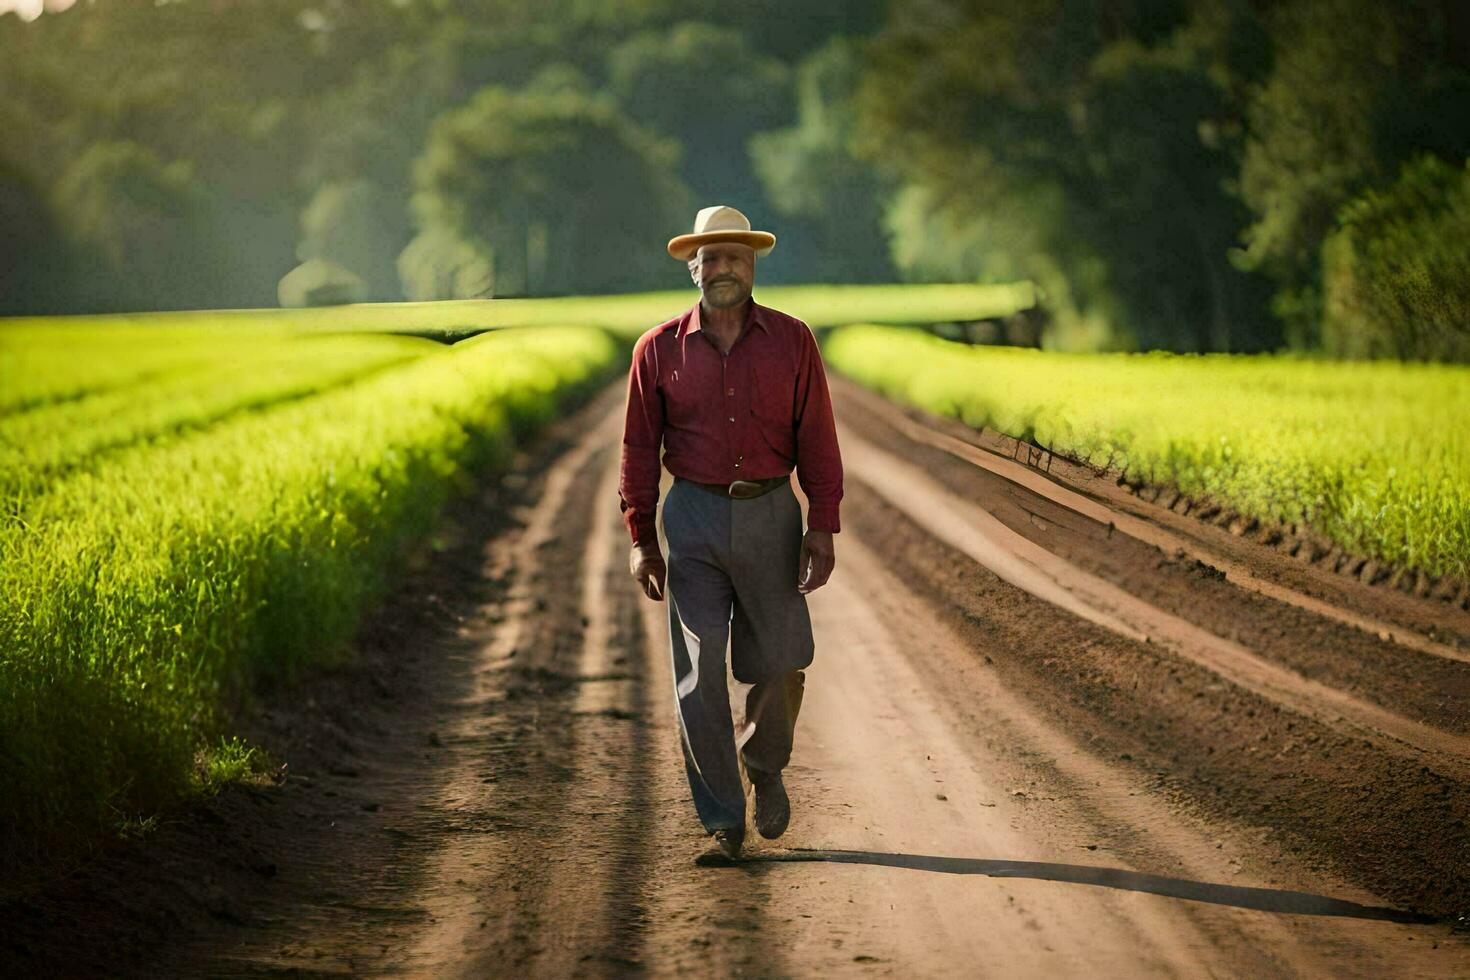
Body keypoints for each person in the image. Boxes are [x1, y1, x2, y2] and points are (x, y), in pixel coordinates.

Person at [618, 205, 844, 859]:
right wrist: (641, 538)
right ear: (693, 267)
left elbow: (818, 438)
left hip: (773, 511)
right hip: (692, 517)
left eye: (734, 258)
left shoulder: (793, 341)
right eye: (710, 258)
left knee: (782, 662)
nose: (722, 269)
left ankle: (764, 763)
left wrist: (822, 525)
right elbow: (638, 449)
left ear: (752, 266)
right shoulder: (656, 350)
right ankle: (723, 821)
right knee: (699, 675)